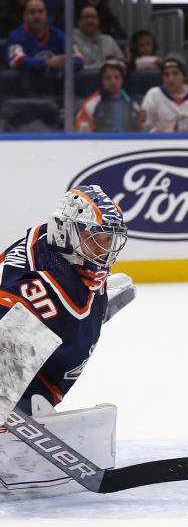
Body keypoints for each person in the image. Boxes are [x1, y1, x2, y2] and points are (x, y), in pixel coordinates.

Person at [0, 185, 133, 495]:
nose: (105, 248)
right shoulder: (37, 293)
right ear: (66, 232)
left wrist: (93, 312)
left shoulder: (54, 248)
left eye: (110, 239)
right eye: (97, 239)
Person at [5, 0, 84, 93]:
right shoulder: (16, 36)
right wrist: (47, 62)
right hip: (25, 92)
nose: (37, 16)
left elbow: (79, 59)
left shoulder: (59, 35)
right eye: (32, 12)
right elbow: (17, 61)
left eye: (40, 11)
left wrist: (65, 62)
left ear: (46, 14)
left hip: (56, 92)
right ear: (25, 16)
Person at [138, 54, 188, 132]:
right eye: (166, 74)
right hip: (162, 143)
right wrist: (157, 133)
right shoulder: (153, 95)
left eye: (175, 73)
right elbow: (143, 128)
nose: (171, 79)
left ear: (183, 75)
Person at [75, 59, 139, 132]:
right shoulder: (91, 105)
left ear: (122, 80)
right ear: (102, 80)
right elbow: (82, 135)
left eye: (117, 77)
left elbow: (142, 133)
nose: (113, 82)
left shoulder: (134, 105)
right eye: (108, 78)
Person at [74, 5, 123, 70]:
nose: (90, 20)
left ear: (98, 21)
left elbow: (121, 63)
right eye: (86, 17)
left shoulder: (108, 40)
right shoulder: (70, 39)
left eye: (93, 17)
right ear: (79, 21)